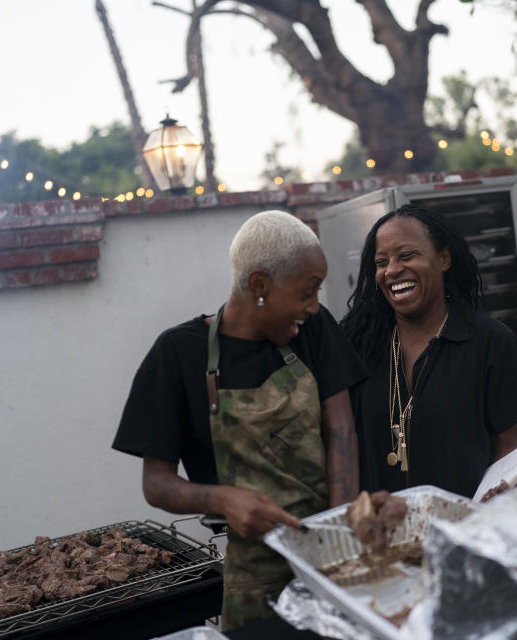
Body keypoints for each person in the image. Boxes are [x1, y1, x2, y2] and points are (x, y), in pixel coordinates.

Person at [112, 210, 367, 631]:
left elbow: (342, 434)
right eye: (307, 292)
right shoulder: (178, 354)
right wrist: (225, 500)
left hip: (331, 564)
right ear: (260, 286)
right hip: (255, 583)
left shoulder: (314, 331)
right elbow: (156, 483)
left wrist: (337, 542)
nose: (314, 306)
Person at [341, 204, 517, 499]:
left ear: (444, 258)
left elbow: (508, 447)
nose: (392, 270)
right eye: (381, 261)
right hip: (384, 536)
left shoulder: (490, 342)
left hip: (466, 531)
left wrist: (506, 488)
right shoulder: (358, 345)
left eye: (407, 256)